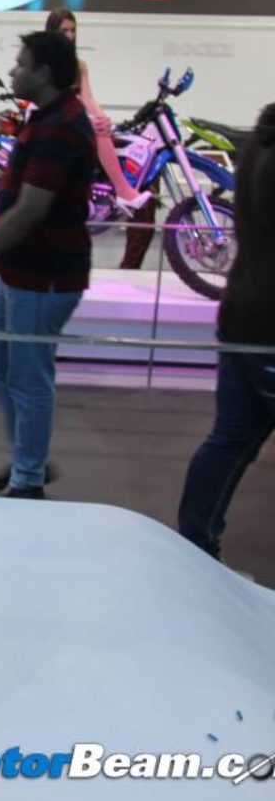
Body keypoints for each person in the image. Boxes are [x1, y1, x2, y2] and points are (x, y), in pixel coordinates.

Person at [0, 31, 97, 499]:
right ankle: (29, 458)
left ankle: (28, 479)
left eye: (21, 63)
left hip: (44, 277)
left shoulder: (60, 127)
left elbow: (30, 212)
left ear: (44, 72)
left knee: (29, 375)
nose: (13, 71)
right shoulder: (46, 118)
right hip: (19, 271)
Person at [176, 103, 275, 561]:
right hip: (266, 322)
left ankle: (195, 548)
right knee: (231, 440)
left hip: (244, 314)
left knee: (231, 439)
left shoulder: (260, 139)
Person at [45, 8, 154, 267]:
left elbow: (88, 98)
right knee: (96, 130)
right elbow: (51, 100)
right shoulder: (45, 63)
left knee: (104, 130)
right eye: (64, 31)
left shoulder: (79, 65)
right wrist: (87, 119)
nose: (69, 35)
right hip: (52, 120)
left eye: (73, 30)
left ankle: (115, 192)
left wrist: (103, 118)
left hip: (72, 119)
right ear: (52, 32)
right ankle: (123, 190)